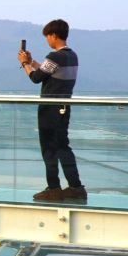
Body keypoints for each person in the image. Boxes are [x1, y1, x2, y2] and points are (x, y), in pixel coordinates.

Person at [18, 18, 85, 203]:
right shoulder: (72, 55)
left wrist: (25, 63)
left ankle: (53, 188)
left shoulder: (55, 56)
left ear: (53, 35)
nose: (47, 39)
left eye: (48, 36)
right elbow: (49, 71)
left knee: (49, 149)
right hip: (64, 107)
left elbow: (36, 78)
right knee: (63, 146)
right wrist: (33, 61)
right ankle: (75, 186)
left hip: (49, 109)